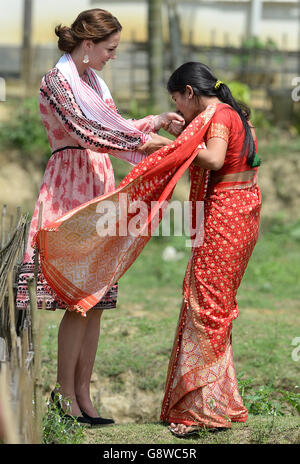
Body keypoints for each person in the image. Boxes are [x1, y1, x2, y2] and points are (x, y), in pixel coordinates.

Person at [16, 8, 184, 426]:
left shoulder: (91, 80)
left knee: (96, 302)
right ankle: (66, 398)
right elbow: (90, 132)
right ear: (87, 45)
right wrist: (147, 142)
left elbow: (113, 126)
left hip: (98, 184)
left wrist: (154, 123)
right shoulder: (57, 82)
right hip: (71, 187)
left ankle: (84, 398)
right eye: (109, 48)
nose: (113, 56)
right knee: (77, 300)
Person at [160, 62, 261, 437]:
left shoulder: (217, 114)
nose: (181, 109)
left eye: (178, 101)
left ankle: (201, 411)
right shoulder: (235, 114)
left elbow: (216, 159)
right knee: (215, 305)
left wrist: (174, 145)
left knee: (206, 306)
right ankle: (222, 401)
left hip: (225, 214)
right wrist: (186, 133)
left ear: (189, 92)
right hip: (243, 210)